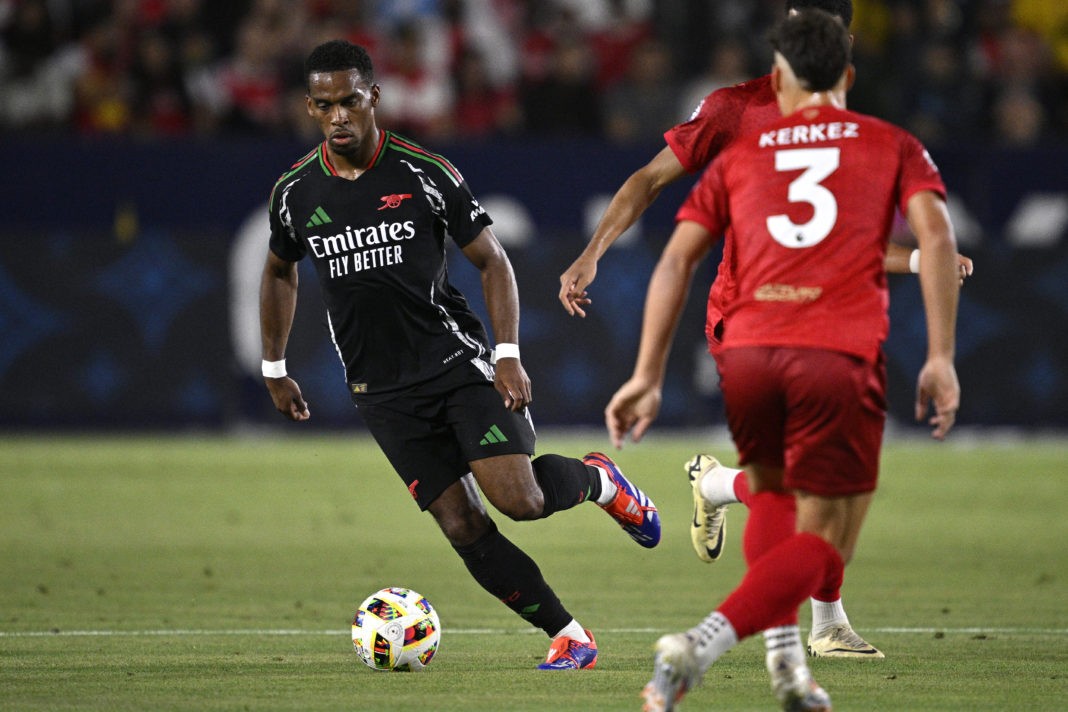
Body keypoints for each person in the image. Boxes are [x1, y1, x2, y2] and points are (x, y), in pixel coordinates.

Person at [561, 0, 972, 660]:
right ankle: (807, 628)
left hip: (829, 325)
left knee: (813, 489)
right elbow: (649, 181)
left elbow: (841, 242)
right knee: (815, 489)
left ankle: (722, 492)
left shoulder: (858, 135)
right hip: (749, 321)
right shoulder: (739, 111)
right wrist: (595, 250)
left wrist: (924, 260)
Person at [258, 39, 661, 672]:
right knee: (461, 525)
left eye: (350, 101)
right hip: (380, 392)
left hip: (455, 366)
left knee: (519, 501)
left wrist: (506, 353)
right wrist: (275, 367)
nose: (339, 116)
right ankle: (569, 636)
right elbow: (279, 271)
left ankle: (598, 480)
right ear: (309, 107)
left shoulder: (424, 171)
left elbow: (492, 260)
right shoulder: (295, 192)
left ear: (374, 99)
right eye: (325, 104)